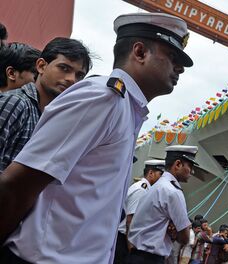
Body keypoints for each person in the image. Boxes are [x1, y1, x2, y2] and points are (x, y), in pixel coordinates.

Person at [0, 12, 193, 263]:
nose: (179, 68)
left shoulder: (126, 109)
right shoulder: (102, 100)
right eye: (173, 56)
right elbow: (19, 184)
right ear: (140, 52)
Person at [0, 37, 90, 174]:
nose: (71, 79)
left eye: (79, 75)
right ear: (41, 66)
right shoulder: (16, 103)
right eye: (64, 68)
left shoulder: (52, 117)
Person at [127, 145, 199, 264]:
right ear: (178, 164)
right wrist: (174, 231)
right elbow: (185, 238)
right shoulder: (173, 191)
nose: (192, 171)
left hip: (135, 255)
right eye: (190, 166)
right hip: (150, 259)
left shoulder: (154, 187)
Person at [114, 160, 165, 264]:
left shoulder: (147, 190)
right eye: (160, 174)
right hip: (124, 240)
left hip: (128, 239)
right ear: (151, 173)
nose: (162, 179)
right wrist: (130, 248)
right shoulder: (141, 190)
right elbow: (130, 220)